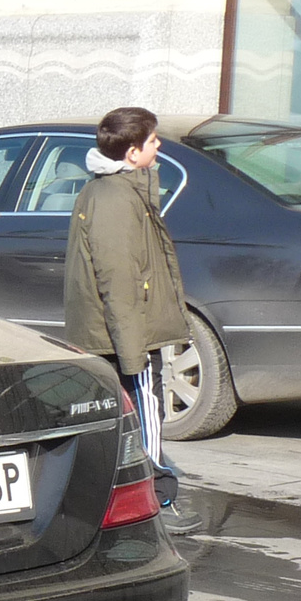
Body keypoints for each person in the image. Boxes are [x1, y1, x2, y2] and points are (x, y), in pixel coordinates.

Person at [64, 106, 201, 534]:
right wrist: (133, 351)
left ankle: (127, 498)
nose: (159, 145)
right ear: (131, 151)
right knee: (145, 414)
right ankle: (158, 500)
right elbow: (118, 276)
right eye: (153, 140)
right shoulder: (115, 199)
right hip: (123, 334)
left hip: (118, 330)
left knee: (128, 417)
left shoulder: (117, 190)